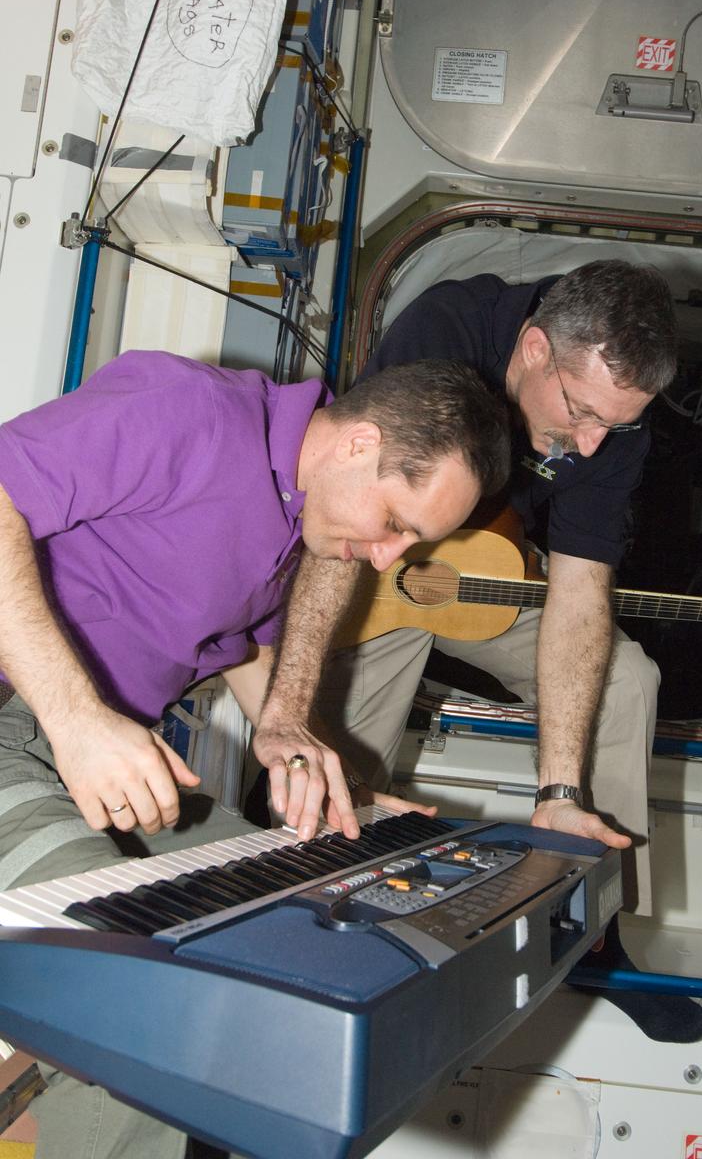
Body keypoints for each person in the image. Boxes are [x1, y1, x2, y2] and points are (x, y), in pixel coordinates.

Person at [0, 349, 510, 1159]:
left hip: (68, 747)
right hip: (24, 724)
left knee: (280, 917)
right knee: (153, 1005)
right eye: (396, 525)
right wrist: (78, 720)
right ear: (356, 445)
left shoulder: (289, 519)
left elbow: (234, 645)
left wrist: (326, 771)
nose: (387, 559)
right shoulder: (190, 411)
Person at [261, 260, 702, 1043]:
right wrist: (297, 699)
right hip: (381, 564)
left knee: (628, 681)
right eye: (579, 413)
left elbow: (580, 592)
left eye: (617, 424)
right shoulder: (448, 331)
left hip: (485, 584)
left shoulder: (612, 426)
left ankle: (593, 934)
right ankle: (309, 931)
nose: (593, 441)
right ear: (534, 348)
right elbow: (356, 517)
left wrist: (561, 790)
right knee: (339, 746)